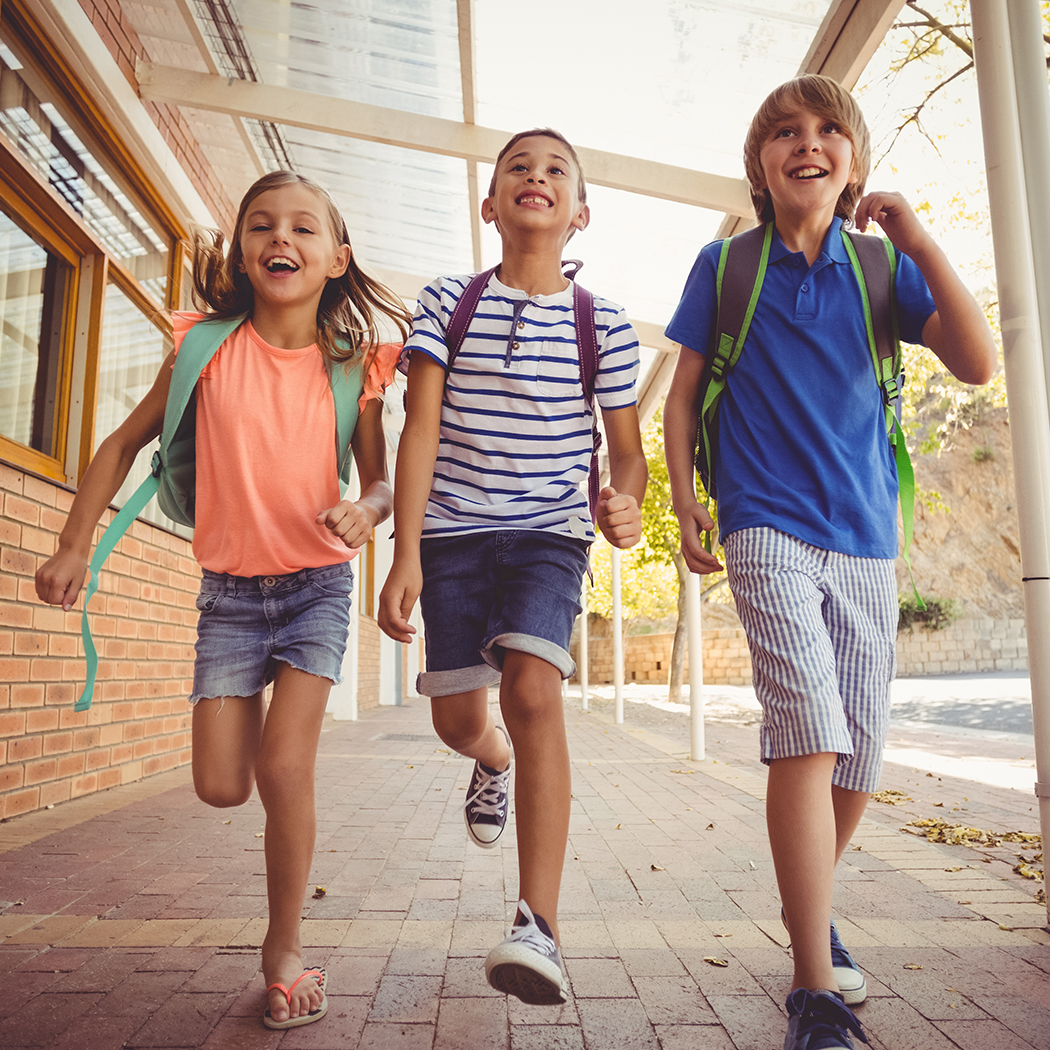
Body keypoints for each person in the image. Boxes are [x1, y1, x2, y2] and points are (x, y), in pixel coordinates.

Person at [662, 76, 996, 1050]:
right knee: (807, 726)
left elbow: (976, 364)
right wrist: (688, 500)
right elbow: (682, 395)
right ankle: (816, 988)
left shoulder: (883, 267)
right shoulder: (726, 266)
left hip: (865, 534)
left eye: (828, 131)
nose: (807, 144)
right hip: (763, 522)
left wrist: (923, 240)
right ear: (760, 168)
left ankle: (811, 906)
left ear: (853, 159)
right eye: (785, 134)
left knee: (861, 750)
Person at [35, 171, 412, 1030]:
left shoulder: (352, 366)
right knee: (218, 786)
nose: (282, 238)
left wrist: (367, 510)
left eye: (304, 228)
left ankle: (284, 949)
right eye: (262, 226)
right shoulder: (201, 348)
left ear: (335, 257)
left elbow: (384, 482)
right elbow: (121, 442)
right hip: (230, 597)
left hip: (317, 585)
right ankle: (274, 900)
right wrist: (73, 544)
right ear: (243, 250)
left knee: (285, 769)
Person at [378, 128, 647, 1005]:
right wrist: (406, 550)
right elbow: (418, 428)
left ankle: (540, 925)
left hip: (547, 534)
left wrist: (627, 502)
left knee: (533, 689)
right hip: (452, 534)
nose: (536, 177)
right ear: (490, 204)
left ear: (580, 214)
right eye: (517, 169)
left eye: (556, 170)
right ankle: (489, 761)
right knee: (460, 718)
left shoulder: (601, 321)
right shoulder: (447, 299)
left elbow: (626, 452)